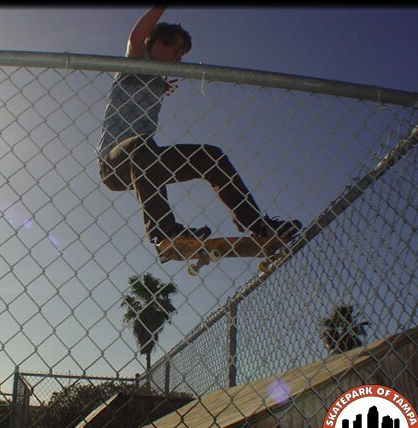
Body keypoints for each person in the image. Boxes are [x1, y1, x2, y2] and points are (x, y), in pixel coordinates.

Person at [97, 5, 302, 247]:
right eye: (174, 50)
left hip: (147, 163)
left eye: (181, 54)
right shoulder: (134, 62)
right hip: (113, 164)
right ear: (156, 44)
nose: (178, 59)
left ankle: (258, 225)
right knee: (142, 143)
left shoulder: (158, 80)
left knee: (210, 156)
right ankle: (165, 232)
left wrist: (159, 85)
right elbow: (136, 37)